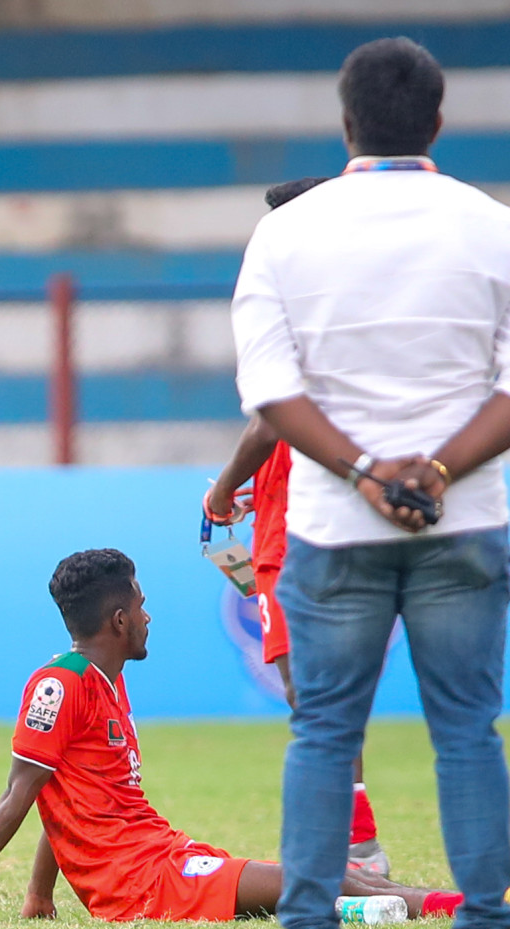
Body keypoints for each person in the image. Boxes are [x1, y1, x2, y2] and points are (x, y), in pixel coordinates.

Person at [232, 38, 510, 929]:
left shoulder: (287, 232)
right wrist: (432, 468)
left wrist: (361, 469)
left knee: (324, 736)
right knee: (467, 732)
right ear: (437, 120)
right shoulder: (489, 224)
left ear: (346, 121)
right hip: (462, 519)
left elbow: (270, 392)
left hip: (333, 525)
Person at [0, 550, 461, 929]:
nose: (149, 617)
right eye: (141, 606)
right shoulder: (59, 684)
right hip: (139, 882)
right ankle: (468, 906)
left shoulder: (108, 680)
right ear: (119, 620)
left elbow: (72, 796)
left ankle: (439, 904)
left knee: (328, 879)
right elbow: (21, 793)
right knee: (322, 878)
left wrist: (39, 896)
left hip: (159, 855)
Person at [203, 175, 389, 879]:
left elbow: (271, 413)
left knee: (310, 690)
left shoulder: (301, 303)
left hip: (296, 529)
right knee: (322, 686)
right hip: (314, 500)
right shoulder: (356, 306)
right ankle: (356, 842)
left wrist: (225, 487)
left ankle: (354, 848)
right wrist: (265, 483)